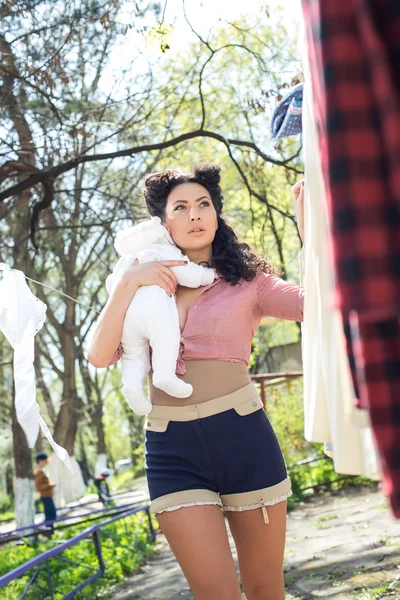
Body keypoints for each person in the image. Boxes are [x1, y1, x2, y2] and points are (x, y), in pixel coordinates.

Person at [88, 164, 305, 600]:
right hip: (172, 450)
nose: (194, 215)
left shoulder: (249, 283)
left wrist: (310, 235)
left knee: (265, 589)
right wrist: (128, 282)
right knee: (214, 594)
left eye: (203, 204)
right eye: (181, 207)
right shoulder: (143, 283)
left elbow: (317, 304)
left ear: (216, 215)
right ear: (162, 221)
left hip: (244, 437)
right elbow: (98, 355)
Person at [33, 452, 57, 531]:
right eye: (44, 460)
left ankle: (50, 530)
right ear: (40, 461)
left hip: (47, 495)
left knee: (50, 514)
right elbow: (38, 487)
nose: (46, 462)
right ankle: (48, 530)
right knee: (51, 514)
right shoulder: (38, 473)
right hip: (45, 496)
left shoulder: (42, 471)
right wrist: (50, 485)